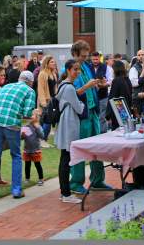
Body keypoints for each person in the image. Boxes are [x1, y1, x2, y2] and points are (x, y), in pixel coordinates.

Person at [0, 71, 37, 199]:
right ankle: (16, 190)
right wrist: (30, 120)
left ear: (20, 79)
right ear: (31, 82)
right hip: (11, 123)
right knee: (16, 156)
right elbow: (27, 112)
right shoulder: (29, 91)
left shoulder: (6, 86)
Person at [69, 41, 110, 194]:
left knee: (97, 147)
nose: (85, 58)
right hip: (82, 115)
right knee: (80, 148)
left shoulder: (85, 66)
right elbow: (71, 92)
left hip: (93, 111)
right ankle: (76, 182)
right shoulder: (69, 69)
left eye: (87, 56)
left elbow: (90, 86)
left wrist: (99, 84)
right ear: (75, 54)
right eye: (82, 56)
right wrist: (89, 85)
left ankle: (98, 180)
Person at [55, 59, 85, 204]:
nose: (77, 72)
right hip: (69, 122)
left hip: (66, 121)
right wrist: (82, 104)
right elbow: (78, 108)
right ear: (68, 70)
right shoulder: (69, 88)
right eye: (75, 69)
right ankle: (66, 193)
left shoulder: (64, 85)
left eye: (78, 69)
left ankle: (64, 192)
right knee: (66, 159)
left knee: (64, 158)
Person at [37, 55, 59, 141]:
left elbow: (55, 87)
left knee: (50, 120)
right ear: (47, 63)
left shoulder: (53, 73)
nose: (54, 63)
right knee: (46, 121)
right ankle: (42, 140)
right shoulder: (42, 74)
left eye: (54, 62)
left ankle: (43, 139)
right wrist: (43, 103)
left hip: (53, 100)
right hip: (45, 100)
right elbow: (40, 89)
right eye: (52, 62)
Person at [106, 60, 132, 130]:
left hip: (118, 111)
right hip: (127, 109)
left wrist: (108, 114)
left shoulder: (117, 80)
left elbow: (112, 97)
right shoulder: (127, 79)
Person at [22, 109, 45, 185]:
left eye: (33, 115)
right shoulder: (26, 126)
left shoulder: (38, 126)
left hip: (35, 150)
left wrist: (37, 127)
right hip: (27, 149)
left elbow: (42, 136)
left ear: (37, 117)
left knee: (37, 165)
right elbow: (21, 138)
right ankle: (27, 179)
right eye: (31, 115)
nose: (31, 117)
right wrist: (22, 135)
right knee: (27, 165)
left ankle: (41, 179)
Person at [90, 52, 110, 133]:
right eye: (93, 59)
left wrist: (103, 84)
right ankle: (94, 133)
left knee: (102, 117)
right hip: (91, 96)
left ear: (99, 58)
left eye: (96, 59)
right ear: (91, 59)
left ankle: (103, 133)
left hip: (103, 96)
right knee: (92, 116)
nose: (95, 61)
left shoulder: (106, 67)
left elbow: (110, 81)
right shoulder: (88, 67)